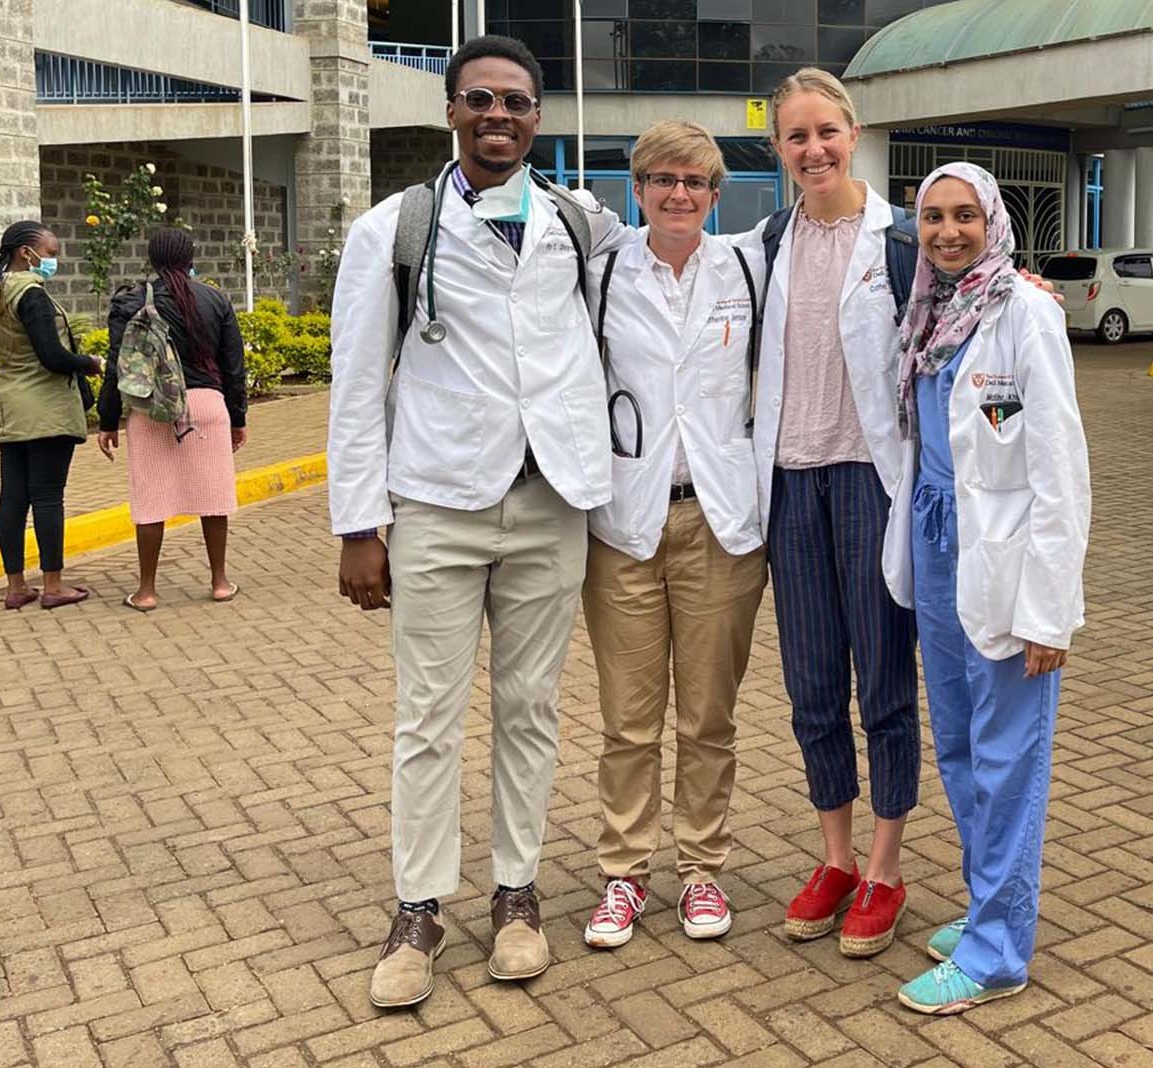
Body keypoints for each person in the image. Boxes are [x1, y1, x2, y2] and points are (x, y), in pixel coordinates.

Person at [325, 35, 624, 1007]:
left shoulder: (580, 224)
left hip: (549, 504)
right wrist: (358, 525)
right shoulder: (394, 231)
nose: (499, 115)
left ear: (538, 119)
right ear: (451, 110)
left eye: (518, 102)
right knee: (427, 719)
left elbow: (685, 268)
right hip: (441, 505)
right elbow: (359, 382)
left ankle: (516, 893)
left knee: (531, 711)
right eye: (481, 99)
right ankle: (418, 907)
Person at [881, 162, 1089, 1015]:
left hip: (1002, 554)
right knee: (961, 745)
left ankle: (1000, 949)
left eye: (966, 216)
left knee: (1008, 755)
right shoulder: (927, 311)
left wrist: (1050, 610)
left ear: (993, 222)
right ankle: (986, 908)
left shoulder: (1025, 312)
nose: (949, 232)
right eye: (933, 217)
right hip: (937, 541)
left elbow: (1060, 469)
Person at [746, 68, 922, 960]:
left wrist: (1030, 290)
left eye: (827, 132)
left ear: (854, 133)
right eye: (795, 137)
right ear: (777, 149)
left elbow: (976, 290)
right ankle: (837, 860)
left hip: (869, 481)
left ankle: (887, 869)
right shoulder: (766, 242)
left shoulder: (902, 242)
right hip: (788, 483)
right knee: (812, 685)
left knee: (884, 684)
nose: (813, 150)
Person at [578, 121, 766, 949]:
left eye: (696, 182)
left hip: (721, 522)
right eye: (663, 180)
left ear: (716, 194)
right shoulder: (603, 270)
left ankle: (701, 872)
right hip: (623, 522)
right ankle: (624, 874)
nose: (679, 194)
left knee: (708, 716)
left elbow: (865, 237)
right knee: (627, 717)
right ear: (638, 188)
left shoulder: (749, 267)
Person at [96, 228, 249, 611]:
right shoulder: (215, 299)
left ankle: (146, 591)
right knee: (214, 498)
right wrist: (238, 417)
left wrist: (108, 420)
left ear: (152, 259)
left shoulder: (131, 301)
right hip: (208, 407)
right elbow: (234, 366)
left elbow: (119, 366)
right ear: (191, 257)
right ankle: (219, 581)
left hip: (152, 411)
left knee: (151, 500)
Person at [0, 220, 105, 611]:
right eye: (50, 254)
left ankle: (16, 586)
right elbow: (53, 356)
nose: (53, 261)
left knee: (13, 496)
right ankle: (53, 585)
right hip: (44, 409)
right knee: (47, 496)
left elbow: (2, 354)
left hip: (8, 405)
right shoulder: (30, 294)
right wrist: (91, 362)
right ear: (25, 253)